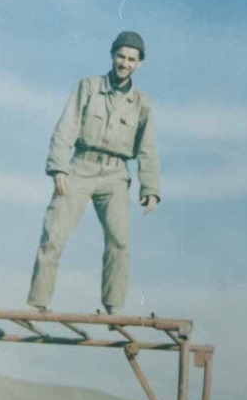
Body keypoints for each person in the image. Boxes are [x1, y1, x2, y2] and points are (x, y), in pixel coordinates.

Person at [27, 31, 160, 315]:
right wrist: (58, 167)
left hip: (115, 175)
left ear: (139, 63)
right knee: (54, 234)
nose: (125, 63)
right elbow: (66, 127)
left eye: (132, 59)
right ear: (112, 55)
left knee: (119, 242)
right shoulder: (88, 87)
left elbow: (148, 149)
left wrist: (150, 189)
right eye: (121, 57)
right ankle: (37, 303)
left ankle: (114, 308)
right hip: (80, 167)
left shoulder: (142, 103)